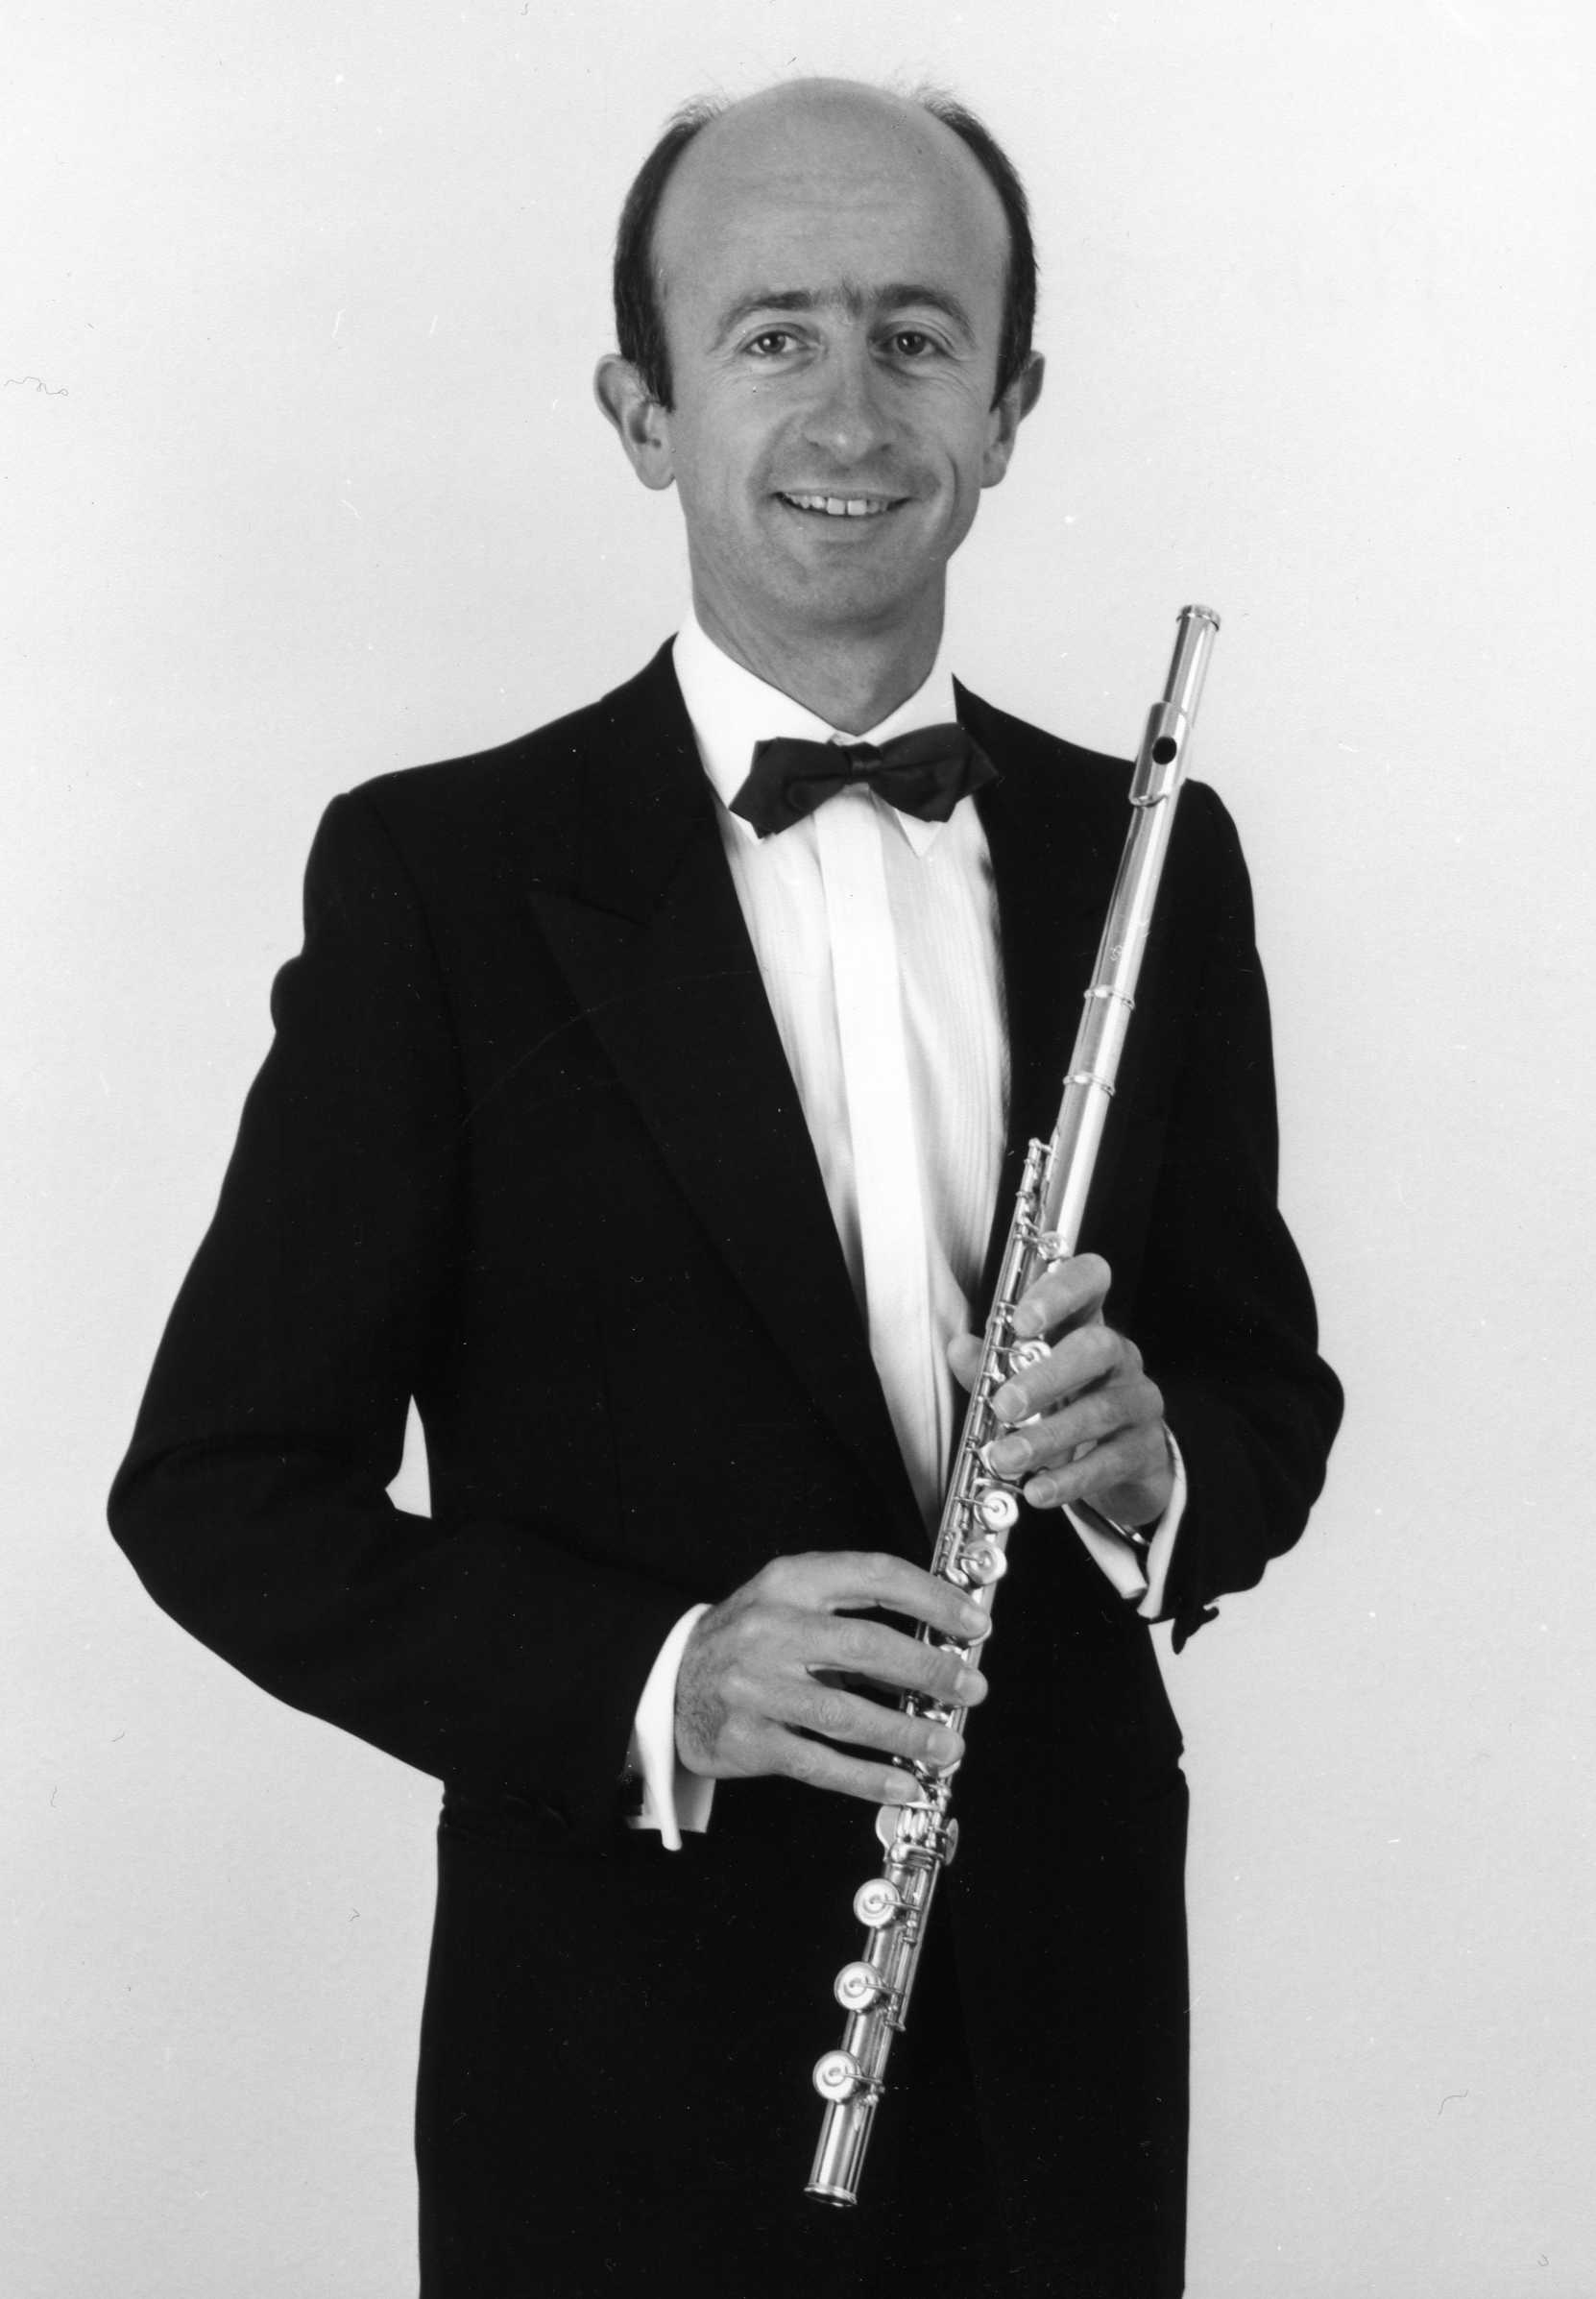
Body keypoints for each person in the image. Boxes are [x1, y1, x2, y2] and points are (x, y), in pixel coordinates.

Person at [109, 78, 1341, 2299]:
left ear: (1008, 407)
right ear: (644, 409)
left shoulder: (1154, 853)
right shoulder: (439, 882)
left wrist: (1157, 1475)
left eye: (915, 336)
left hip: (1057, 2047)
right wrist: (664, 1679)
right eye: (773, 334)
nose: (850, 410)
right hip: (616, 2073)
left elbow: (1263, 1390)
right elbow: (218, 1490)